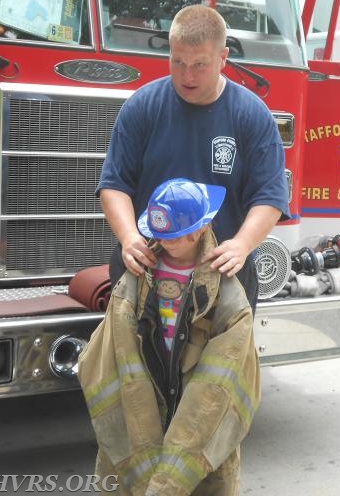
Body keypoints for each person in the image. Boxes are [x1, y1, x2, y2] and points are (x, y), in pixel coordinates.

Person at [97, 4, 290, 308]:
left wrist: (241, 245)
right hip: (144, 272)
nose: (187, 75)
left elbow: (271, 197)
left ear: (223, 58)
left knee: (221, 358)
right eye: (177, 61)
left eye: (199, 64)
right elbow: (114, 184)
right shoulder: (141, 107)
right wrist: (129, 237)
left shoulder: (252, 116)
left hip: (223, 278)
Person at [78, 178, 261, 495]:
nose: (162, 242)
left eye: (172, 237)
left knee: (191, 473)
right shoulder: (137, 274)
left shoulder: (226, 291)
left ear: (199, 230)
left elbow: (217, 388)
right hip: (149, 385)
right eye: (157, 234)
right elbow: (112, 352)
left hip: (192, 396)